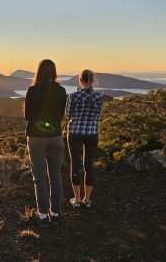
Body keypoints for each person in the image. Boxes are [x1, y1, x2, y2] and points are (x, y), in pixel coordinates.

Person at [24, 59, 67, 227]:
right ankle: (55, 214)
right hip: (56, 136)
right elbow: (61, 115)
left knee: (40, 177)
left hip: (36, 137)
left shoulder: (33, 90)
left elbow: (27, 115)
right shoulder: (62, 90)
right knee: (55, 175)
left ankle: (42, 216)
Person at [65, 69, 103, 209]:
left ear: (80, 80)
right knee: (89, 166)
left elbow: (67, 115)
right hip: (92, 133)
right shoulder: (99, 97)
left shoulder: (73, 96)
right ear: (92, 80)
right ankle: (87, 199)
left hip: (75, 133)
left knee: (75, 165)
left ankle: (77, 199)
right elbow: (98, 116)